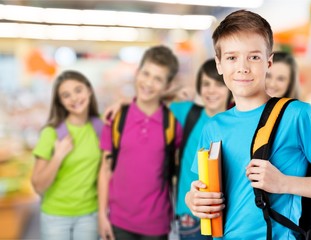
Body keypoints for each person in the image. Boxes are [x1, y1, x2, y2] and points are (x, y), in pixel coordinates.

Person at [185, 9, 311, 239]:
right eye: (232, 57)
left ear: (269, 62)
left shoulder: (297, 114)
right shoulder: (213, 126)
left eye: (253, 57)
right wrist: (192, 199)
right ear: (219, 64)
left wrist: (283, 183)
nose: (242, 67)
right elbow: (198, 189)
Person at [97, 45, 183, 240]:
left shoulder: (172, 124)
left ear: (167, 86)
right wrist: (102, 215)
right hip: (119, 221)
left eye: (158, 79)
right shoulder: (116, 118)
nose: (149, 83)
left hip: (157, 223)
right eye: (146, 74)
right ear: (137, 73)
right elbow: (105, 170)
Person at [31, 70, 102, 240]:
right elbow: (38, 186)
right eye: (66, 95)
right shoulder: (51, 133)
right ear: (61, 102)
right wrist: (58, 156)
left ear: (89, 91)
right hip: (56, 216)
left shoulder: (101, 125)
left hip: (89, 214)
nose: (74, 98)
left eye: (78, 90)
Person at [169, 58, 232, 239]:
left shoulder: (238, 121)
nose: (211, 90)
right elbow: (151, 100)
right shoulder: (188, 112)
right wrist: (177, 90)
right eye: (205, 84)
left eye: (218, 84)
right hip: (190, 214)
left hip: (225, 214)